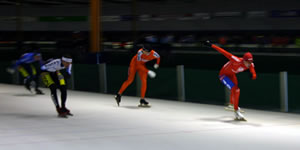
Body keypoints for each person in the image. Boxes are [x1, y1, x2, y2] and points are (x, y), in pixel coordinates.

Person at [202, 40, 257, 121]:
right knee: (236, 90)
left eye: (251, 62)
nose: (249, 64)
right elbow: (224, 52)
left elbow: (254, 74)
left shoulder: (250, 65)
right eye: (248, 62)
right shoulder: (236, 60)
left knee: (236, 89)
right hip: (223, 75)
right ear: (244, 60)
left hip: (231, 75)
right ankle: (236, 111)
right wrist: (211, 45)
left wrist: (252, 76)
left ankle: (232, 105)